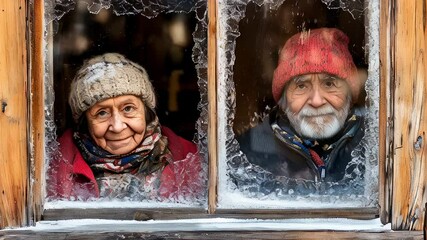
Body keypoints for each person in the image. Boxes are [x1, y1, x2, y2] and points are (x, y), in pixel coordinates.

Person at [47, 53, 204, 201]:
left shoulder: (191, 160)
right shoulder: (53, 169)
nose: (117, 126)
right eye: (102, 113)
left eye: (128, 108)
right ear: (84, 123)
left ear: (147, 114)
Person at [236, 28, 366, 194]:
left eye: (329, 84)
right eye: (301, 86)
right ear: (283, 101)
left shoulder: (375, 147)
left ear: (350, 95)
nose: (317, 101)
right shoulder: (246, 153)